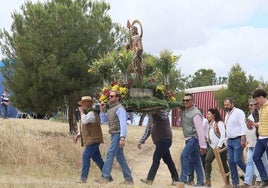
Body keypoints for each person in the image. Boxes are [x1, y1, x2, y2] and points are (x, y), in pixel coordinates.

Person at [95, 90, 134, 185]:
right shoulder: (111, 108)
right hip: (113, 134)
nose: (109, 98)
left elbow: (123, 124)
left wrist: (122, 138)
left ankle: (105, 177)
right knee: (120, 157)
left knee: (110, 154)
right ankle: (128, 179)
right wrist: (102, 111)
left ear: (117, 97)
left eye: (112, 96)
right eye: (109, 96)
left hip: (118, 134)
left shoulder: (120, 109)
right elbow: (104, 121)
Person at [138, 111, 180, 185]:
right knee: (168, 160)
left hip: (165, 139)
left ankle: (150, 179)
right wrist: (141, 141)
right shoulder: (151, 116)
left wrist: (158, 111)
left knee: (156, 158)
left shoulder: (162, 114)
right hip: (159, 142)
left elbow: (165, 114)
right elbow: (148, 129)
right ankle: (176, 180)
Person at [73, 96, 104, 183]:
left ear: (88, 103)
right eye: (82, 103)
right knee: (97, 159)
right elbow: (85, 126)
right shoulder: (88, 113)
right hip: (92, 139)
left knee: (85, 156)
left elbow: (85, 121)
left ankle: (83, 179)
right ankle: (107, 176)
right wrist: (79, 135)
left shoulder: (91, 113)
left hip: (93, 140)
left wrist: (82, 112)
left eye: (83, 103)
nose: (82, 105)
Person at [179, 93, 207, 186]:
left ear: (192, 101)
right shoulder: (184, 112)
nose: (185, 102)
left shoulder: (196, 113)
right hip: (187, 138)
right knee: (196, 161)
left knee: (184, 155)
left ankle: (183, 179)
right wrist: (180, 113)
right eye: (184, 100)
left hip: (193, 138)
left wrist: (203, 145)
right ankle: (201, 182)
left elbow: (200, 130)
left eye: (187, 100)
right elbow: (180, 123)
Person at [224, 97, 247, 187]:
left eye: (228, 104)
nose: (226, 106)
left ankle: (250, 176)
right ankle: (235, 183)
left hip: (238, 139)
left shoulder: (239, 112)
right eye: (225, 105)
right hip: (229, 141)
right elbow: (228, 128)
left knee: (237, 160)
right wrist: (226, 140)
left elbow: (242, 125)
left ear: (232, 104)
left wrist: (243, 138)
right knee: (231, 162)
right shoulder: (227, 114)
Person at [205, 108, 230, 187]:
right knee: (207, 160)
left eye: (209, 114)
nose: (207, 115)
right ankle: (208, 181)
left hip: (220, 147)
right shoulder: (210, 124)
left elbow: (223, 135)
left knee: (224, 164)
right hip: (212, 146)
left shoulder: (219, 123)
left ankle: (227, 182)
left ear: (213, 115)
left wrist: (219, 146)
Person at [243, 99, 261, 187]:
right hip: (250, 142)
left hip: (258, 141)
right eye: (249, 105)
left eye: (252, 105)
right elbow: (247, 130)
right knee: (249, 161)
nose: (250, 106)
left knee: (258, 160)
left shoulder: (259, 115)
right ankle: (247, 181)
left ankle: (259, 179)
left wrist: (253, 125)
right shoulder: (249, 116)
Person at [252, 88, 268, 188]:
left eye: (257, 99)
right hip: (261, 138)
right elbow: (262, 123)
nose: (256, 102)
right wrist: (254, 124)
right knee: (255, 157)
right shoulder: (261, 108)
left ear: (261, 97)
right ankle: (265, 179)